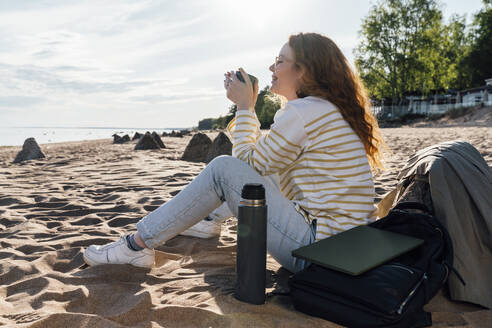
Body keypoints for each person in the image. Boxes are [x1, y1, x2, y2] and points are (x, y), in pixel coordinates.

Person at [83, 32, 386, 273]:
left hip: (318, 252)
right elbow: (267, 166)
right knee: (260, 171)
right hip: (348, 247)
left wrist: (244, 108)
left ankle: (135, 247)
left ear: (303, 71)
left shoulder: (304, 112)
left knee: (222, 168)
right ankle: (210, 219)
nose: (271, 68)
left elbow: (245, 165)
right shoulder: (327, 111)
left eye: (280, 61)